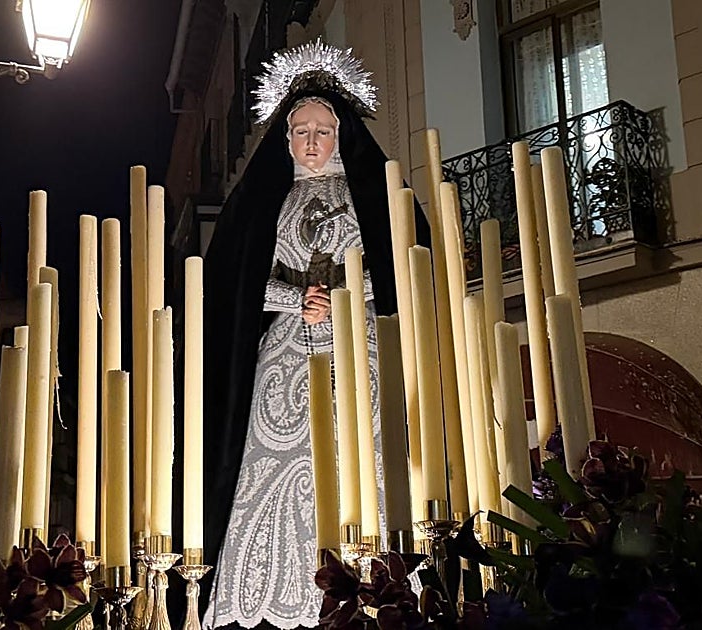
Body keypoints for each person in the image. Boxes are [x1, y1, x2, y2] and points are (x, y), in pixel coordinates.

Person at [200, 41, 428, 629]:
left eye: (322, 131)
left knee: (366, 460)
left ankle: (378, 589)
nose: (310, 142)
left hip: (358, 347)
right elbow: (238, 279)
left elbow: (402, 263)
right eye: (299, 131)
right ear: (285, 139)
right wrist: (293, 299)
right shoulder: (267, 204)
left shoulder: (367, 196)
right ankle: (273, 597)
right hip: (285, 355)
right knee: (274, 466)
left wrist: (349, 296)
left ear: (340, 135)